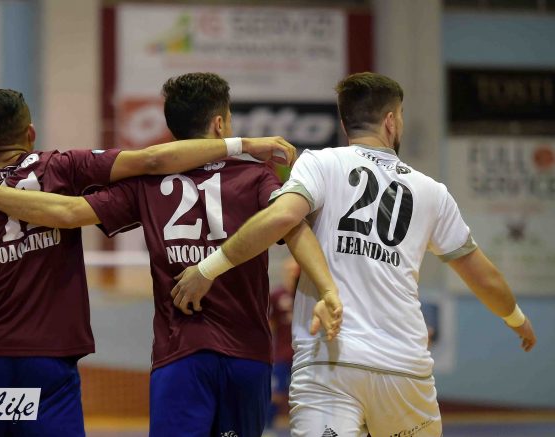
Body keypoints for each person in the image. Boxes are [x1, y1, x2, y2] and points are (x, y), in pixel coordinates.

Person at [0, 74, 341, 437]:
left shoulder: (147, 184)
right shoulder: (256, 176)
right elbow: (293, 226)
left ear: (172, 129)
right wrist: (327, 290)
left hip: (180, 354)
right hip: (247, 353)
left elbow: (66, 213)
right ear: (220, 124)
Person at [171, 72, 537, 437]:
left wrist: (208, 269)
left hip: (330, 361)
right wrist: (515, 318)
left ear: (346, 123)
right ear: (391, 121)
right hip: (404, 369)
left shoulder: (320, 163)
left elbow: (282, 218)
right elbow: (483, 276)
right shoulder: (432, 191)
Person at [265, 257, 300, 434]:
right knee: (277, 392)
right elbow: (269, 325)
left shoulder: (307, 295)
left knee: (299, 394)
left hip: (302, 355)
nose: (293, 274)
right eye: (291, 270)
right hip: (281, 355)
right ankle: (268, 427)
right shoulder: (277, 295)